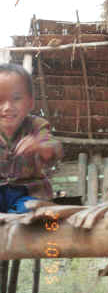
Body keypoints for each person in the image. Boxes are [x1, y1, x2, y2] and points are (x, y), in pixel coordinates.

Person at [0, 63, 63, 213]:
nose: (8, 107)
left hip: (29, 193)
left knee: (32, 211)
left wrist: (40, 147)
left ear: (30, 103)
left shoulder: (37, 126)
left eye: (16, 99)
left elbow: (54, 148)